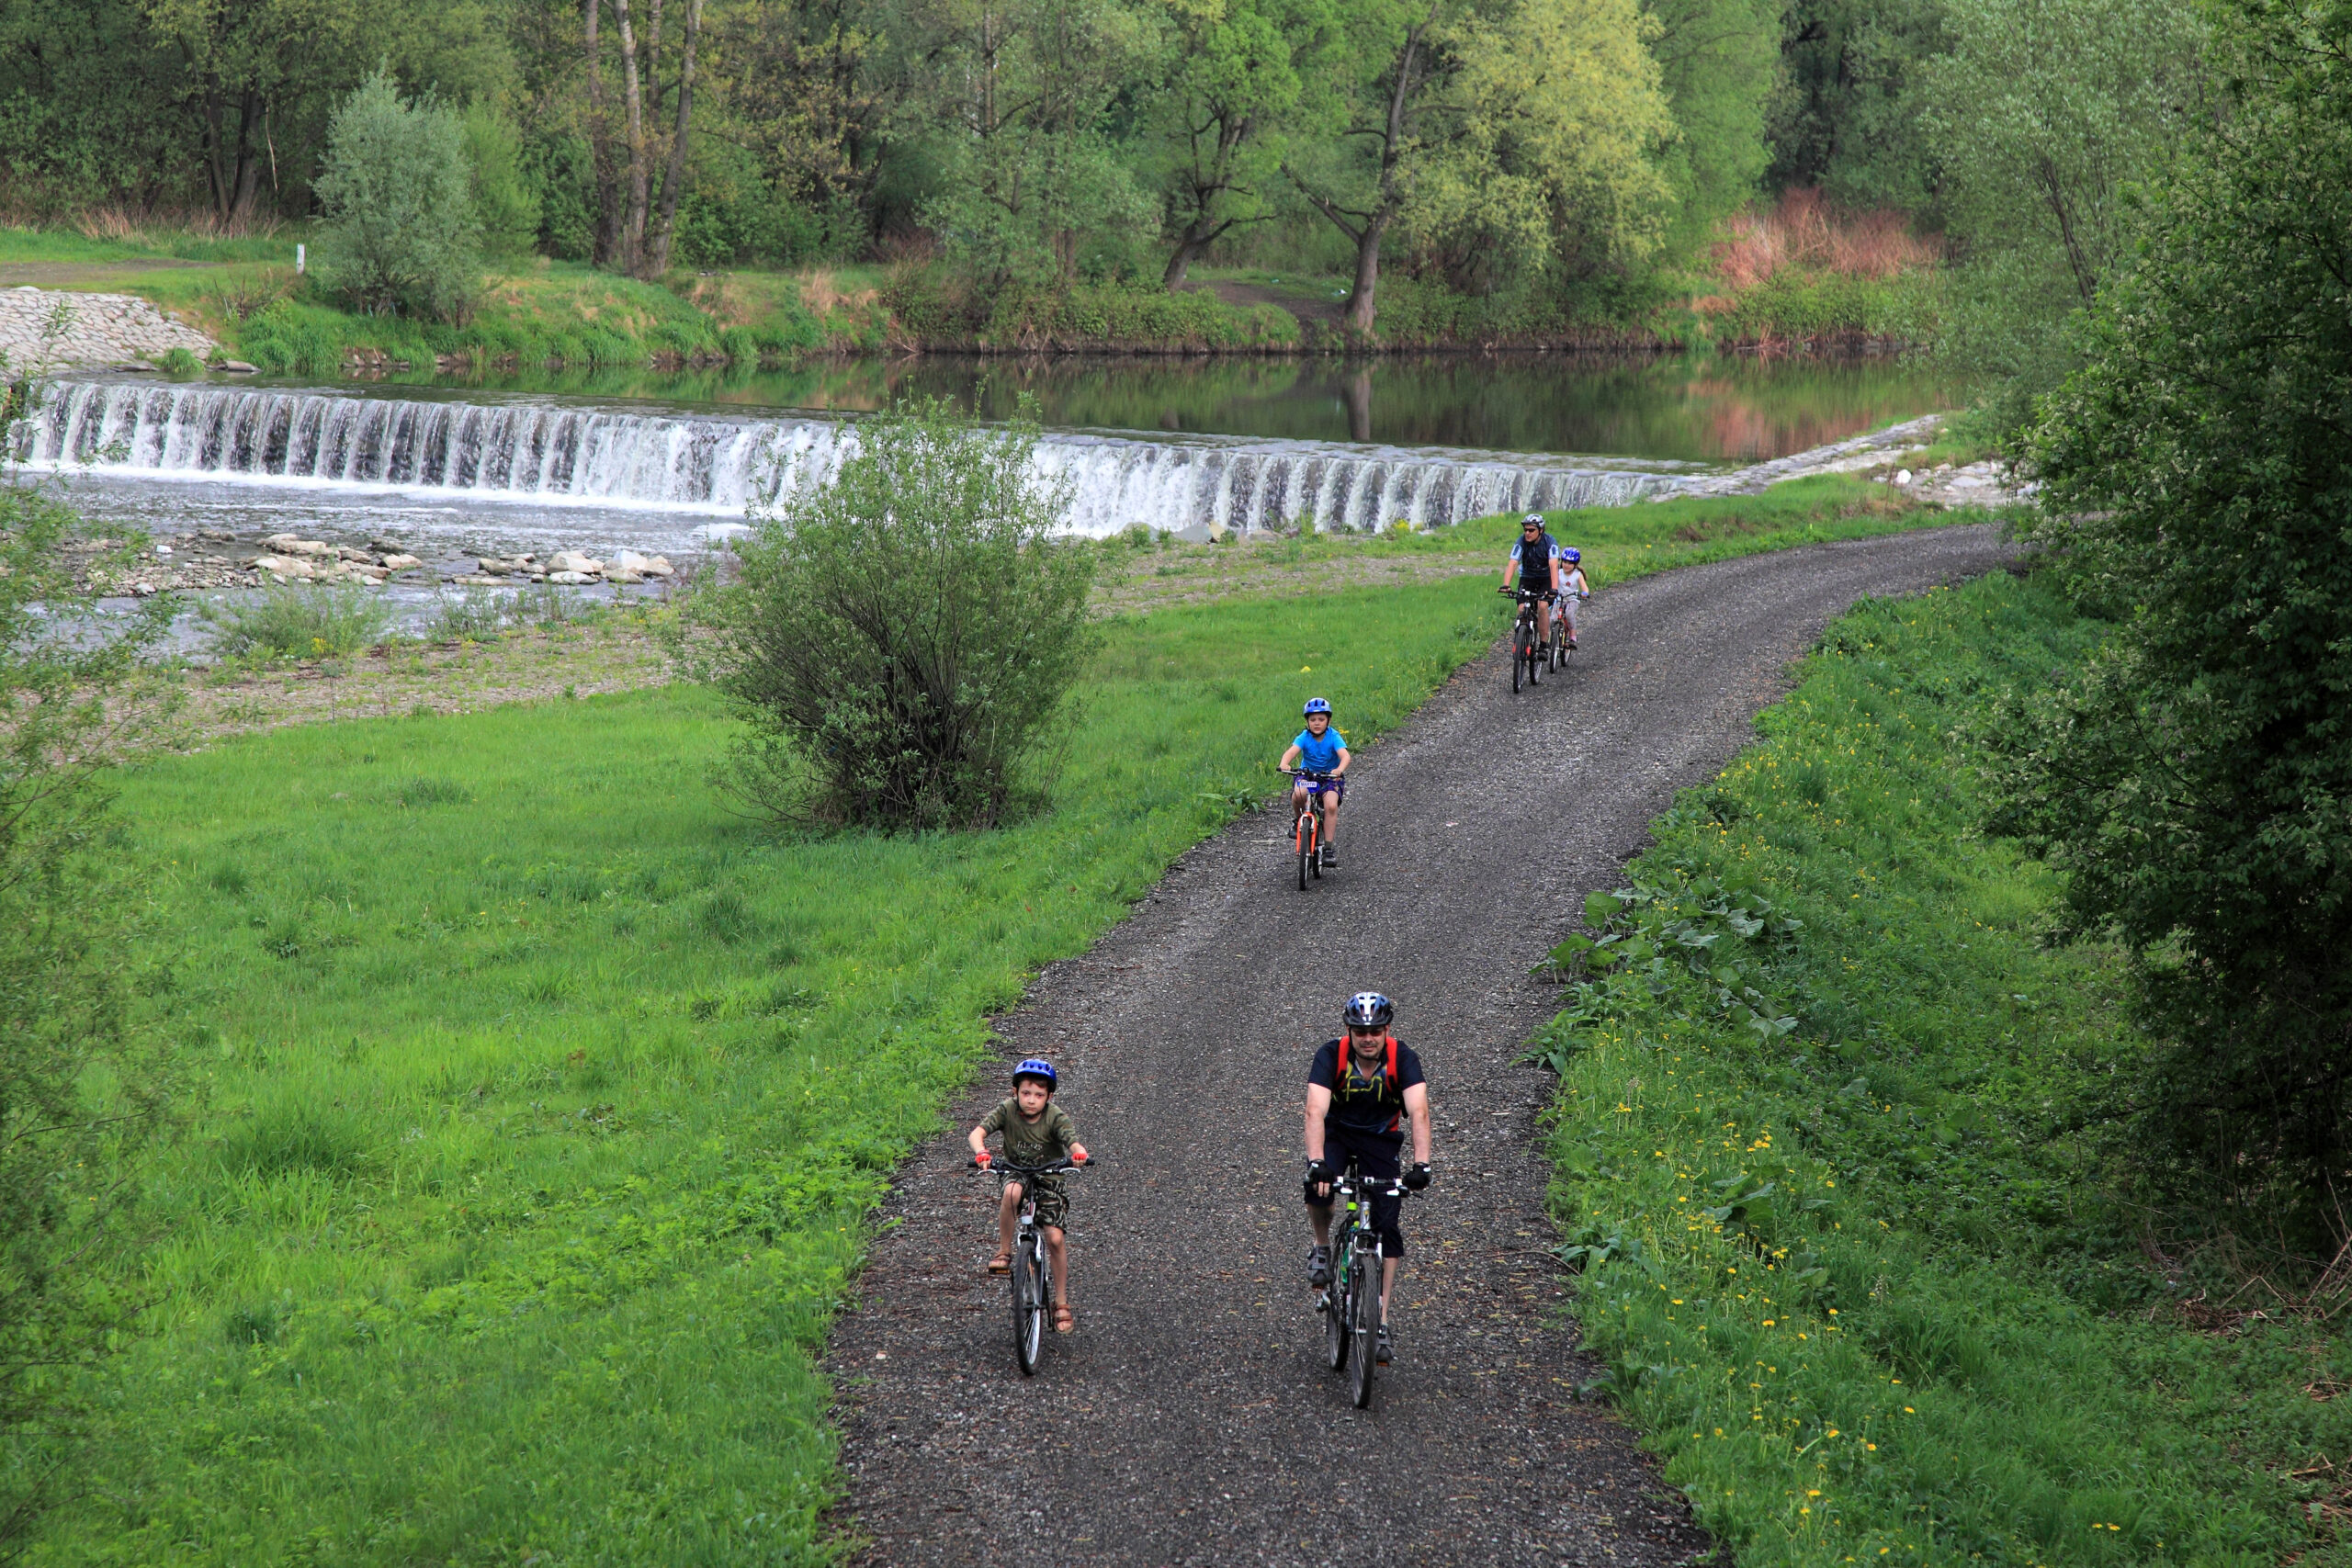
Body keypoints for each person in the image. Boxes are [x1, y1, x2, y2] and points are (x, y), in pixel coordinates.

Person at [1302, 992, 1432, 1365]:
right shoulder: (1331, 1056)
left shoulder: (1403, 1059)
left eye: (1375, 1030)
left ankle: (1381, 1321)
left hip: (1380, 1138)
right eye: (1360, 1031)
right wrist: (1316, 1161)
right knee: (1319, 1186)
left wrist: (1421, 1165)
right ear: (1349, 1031)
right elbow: (1314, 1111)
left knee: (1388, 1224)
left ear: (1387, 1030)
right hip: (1337, 1134)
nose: (1368, 1038)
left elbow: (1419, 1112)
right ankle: (1323, 1247)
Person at [969, 1058, 1091, 1333]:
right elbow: (977, 1134)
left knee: (1055, 1238)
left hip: (1049, 1175)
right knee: (1012, 1193)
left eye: (1039, 1095)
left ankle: (1061, 1303)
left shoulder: (1055, 1116)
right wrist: (981, 1152)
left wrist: (1078, 1154)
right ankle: (1003, 1252)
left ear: (1049, 1097)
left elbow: (1072, 1141)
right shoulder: (1007, 1110)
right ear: (1015, 1092)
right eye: (1026, 1093)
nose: (1031, 1100)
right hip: (1016, 1170)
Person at [1278, 697, 1351, 869]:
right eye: (1312, 720)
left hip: (1329, 777)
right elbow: (1292, 751)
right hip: (1308, 775)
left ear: (1328, 721)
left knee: (1331, 806)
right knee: (1298, 794)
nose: (1317, 723)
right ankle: (1298, 821)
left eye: (1321, 719)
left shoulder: (1334, 737)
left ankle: (1328, 848)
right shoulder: (1304, 737)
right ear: (1307, 722)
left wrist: (1339, 769)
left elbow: (1345, 756)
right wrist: (1284, 763)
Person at [1501, 513, 1563, 645]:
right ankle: (1521, 642)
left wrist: (1554, 588)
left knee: (1542, 606)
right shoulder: (1521, 541)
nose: (1527, 533)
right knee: (1522, 608)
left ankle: (1543, 643)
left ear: (1540, 531)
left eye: (1531, 530)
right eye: (1525, 530)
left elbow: (1553, 565)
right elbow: (1512, 562)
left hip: (1545, 579)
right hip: (1528, 578)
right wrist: (1506, 584)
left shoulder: (1550, 542)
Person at [1559, 547, 1591, 650]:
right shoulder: (1558, 572)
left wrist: (1584, 593)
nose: (1566, 565)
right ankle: (1554, 637)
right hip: (1559, 599)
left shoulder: (1577, 575)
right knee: (1552, 618)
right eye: (1564, 562)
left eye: (1570, 563)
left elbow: (1584, 587)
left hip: (1572, 599)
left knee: (1569, 614)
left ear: (1575, 564)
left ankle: (1573, 638)